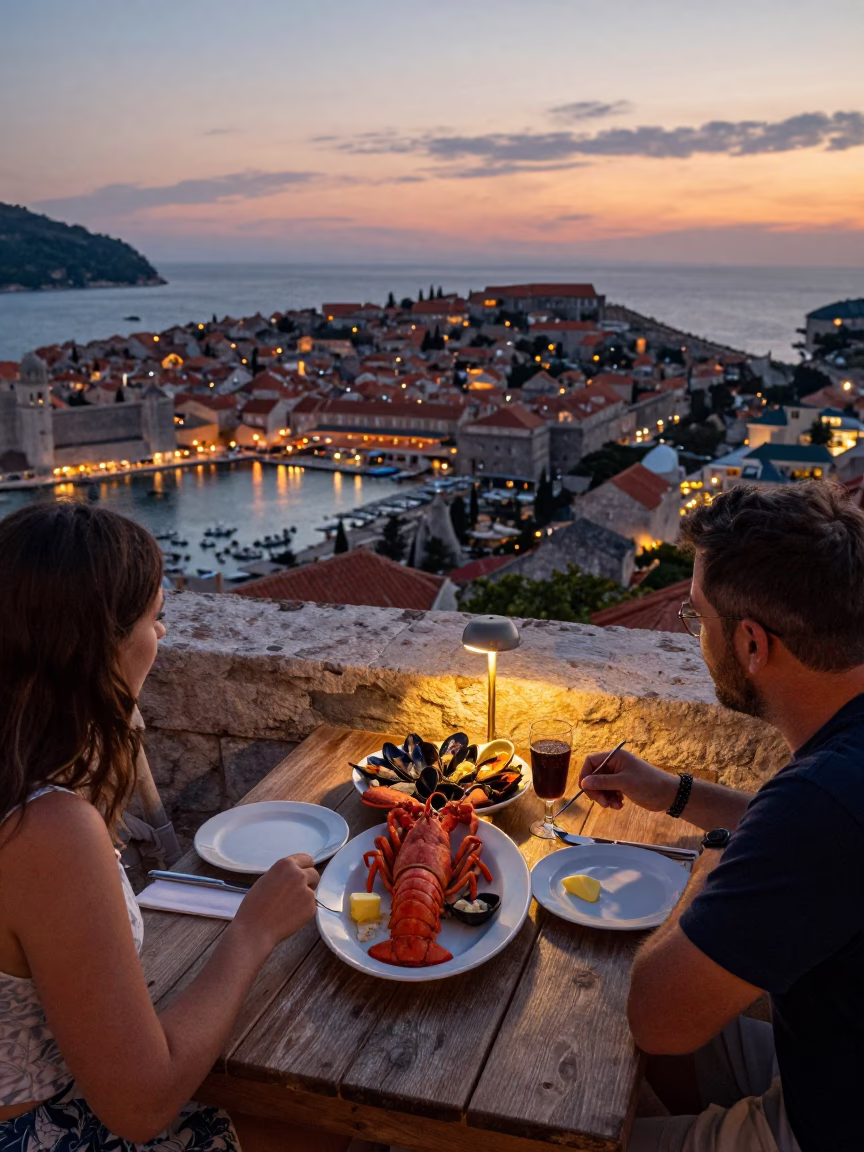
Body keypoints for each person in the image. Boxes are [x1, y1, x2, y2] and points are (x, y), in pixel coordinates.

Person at [0, 502, 348, 1152]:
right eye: (155, 618)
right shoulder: (47, 830)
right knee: (324, 1120)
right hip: (39, 1130)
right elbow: (141, 1103)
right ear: (99, 646)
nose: (160, 637)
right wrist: (253, 930)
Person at [579, 483, 864, 1152]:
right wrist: (673, 792)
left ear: (752, 644)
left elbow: (657, 1018)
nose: (695, 634)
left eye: (697, 617)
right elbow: (801, 841)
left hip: (823, 1127)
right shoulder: (838, 770)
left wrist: (715, 857)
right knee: (599, 1016)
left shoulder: (819, 804)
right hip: (827, 1058)